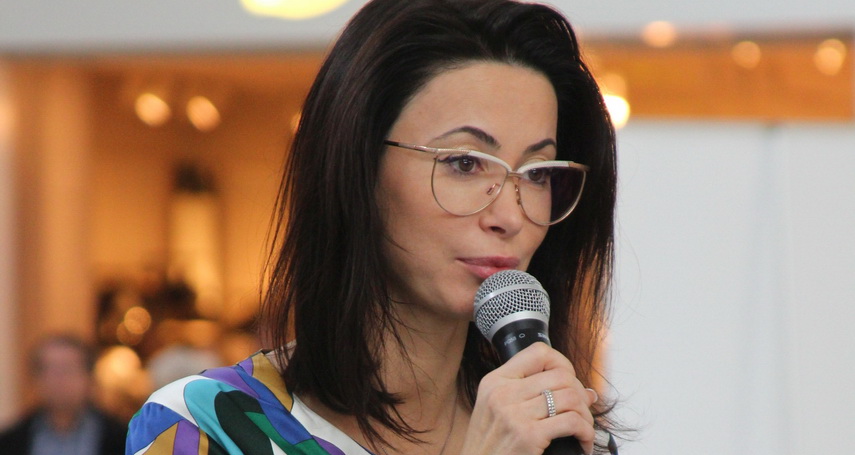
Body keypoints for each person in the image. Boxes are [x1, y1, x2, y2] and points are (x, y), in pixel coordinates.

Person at [126, 0, 620, 454]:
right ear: (357, 167)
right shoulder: (204, 425)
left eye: (537, 174)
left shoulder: (561, 432)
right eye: (465, 163)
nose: (509, 216)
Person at [0, 334, 127, 455]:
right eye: (50, 370)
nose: (59, 380)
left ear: (89, 377)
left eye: (67, 369)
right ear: (35, 379)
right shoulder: (10, 442)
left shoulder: (122, 440)